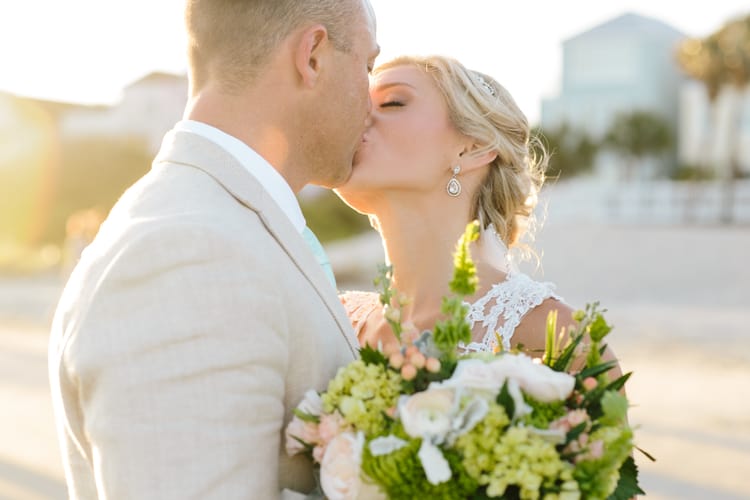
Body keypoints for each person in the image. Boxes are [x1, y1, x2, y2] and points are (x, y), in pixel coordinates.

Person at [48, 1, 379, 498]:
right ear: (312, 56)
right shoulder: (185, 254)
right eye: (369, 67)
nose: (372, 103)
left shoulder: (216, 226)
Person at [337, 55, 622, 373]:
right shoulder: (336, 321)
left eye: (391, 103)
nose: (357, 117)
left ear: (473, 148)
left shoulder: (559, 338)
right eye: (359, 103)